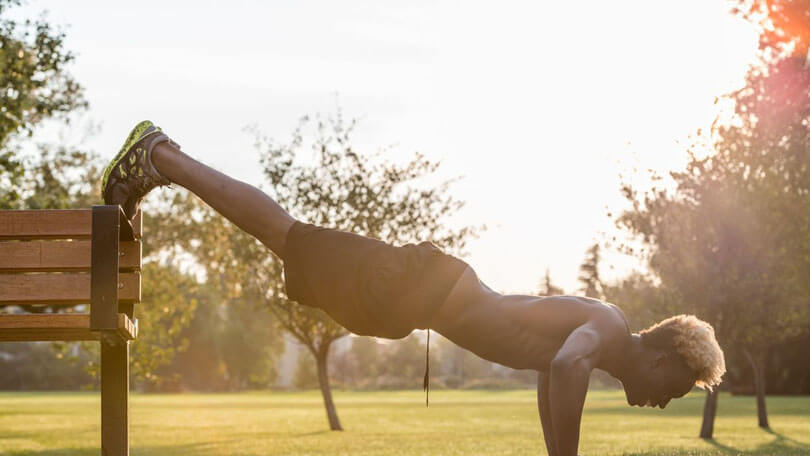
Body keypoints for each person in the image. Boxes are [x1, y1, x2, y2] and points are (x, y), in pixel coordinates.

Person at [102, 121, 726, 456]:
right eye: (674, 389)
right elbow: (563, 365)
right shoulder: (609, 328)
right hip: (419, 288)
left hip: (419, 295)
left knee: (288, 237)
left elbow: (551, 371)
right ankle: (163, 158)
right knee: (286, 234)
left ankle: (164, 160)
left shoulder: (601, 343)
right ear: (665, 357)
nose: (666, 401)